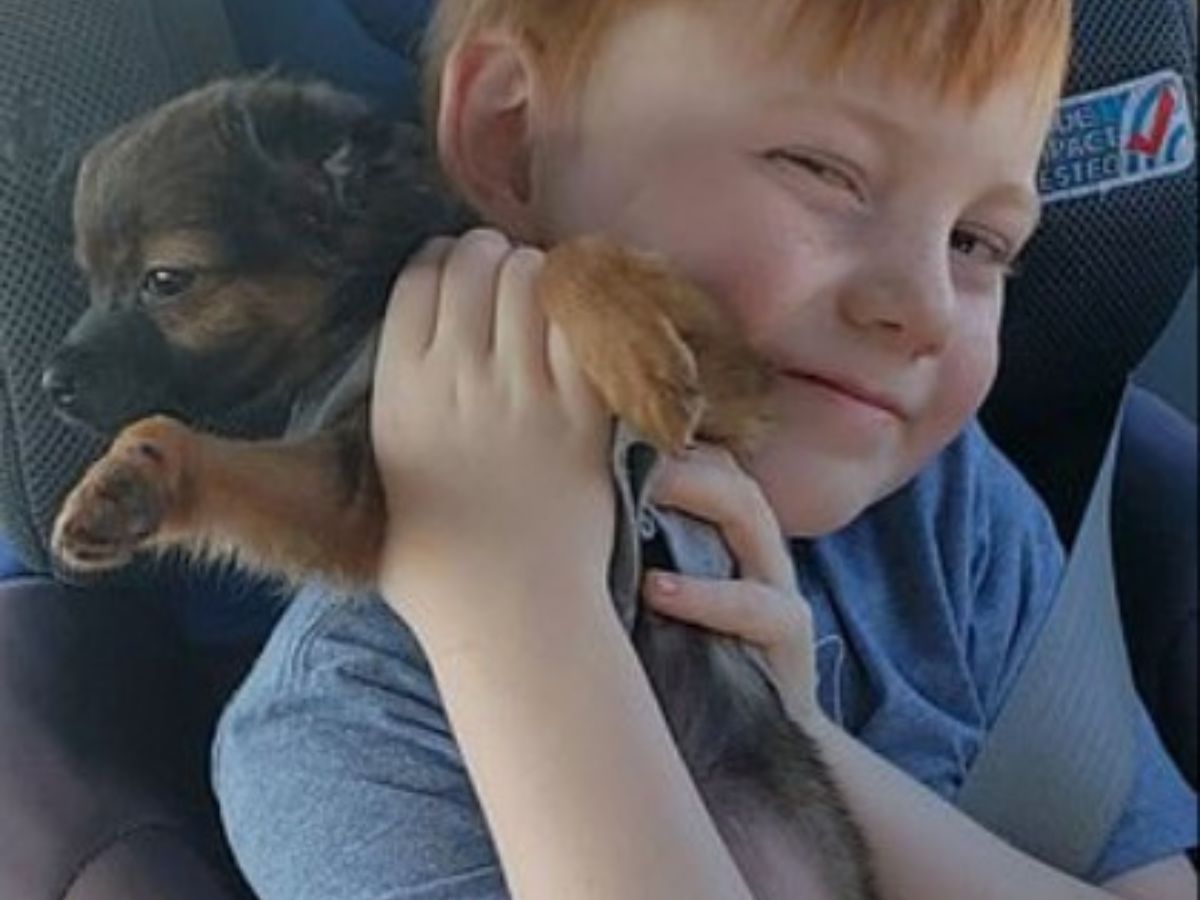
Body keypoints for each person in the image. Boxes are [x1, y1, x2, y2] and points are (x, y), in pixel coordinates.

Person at [213, 1, 1199, 898]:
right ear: (513, 138)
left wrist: (799, 745)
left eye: (979, 244)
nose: (925, 306)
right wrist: (523, 618)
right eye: (822, 169)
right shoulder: (359, 716)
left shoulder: (948, 517)